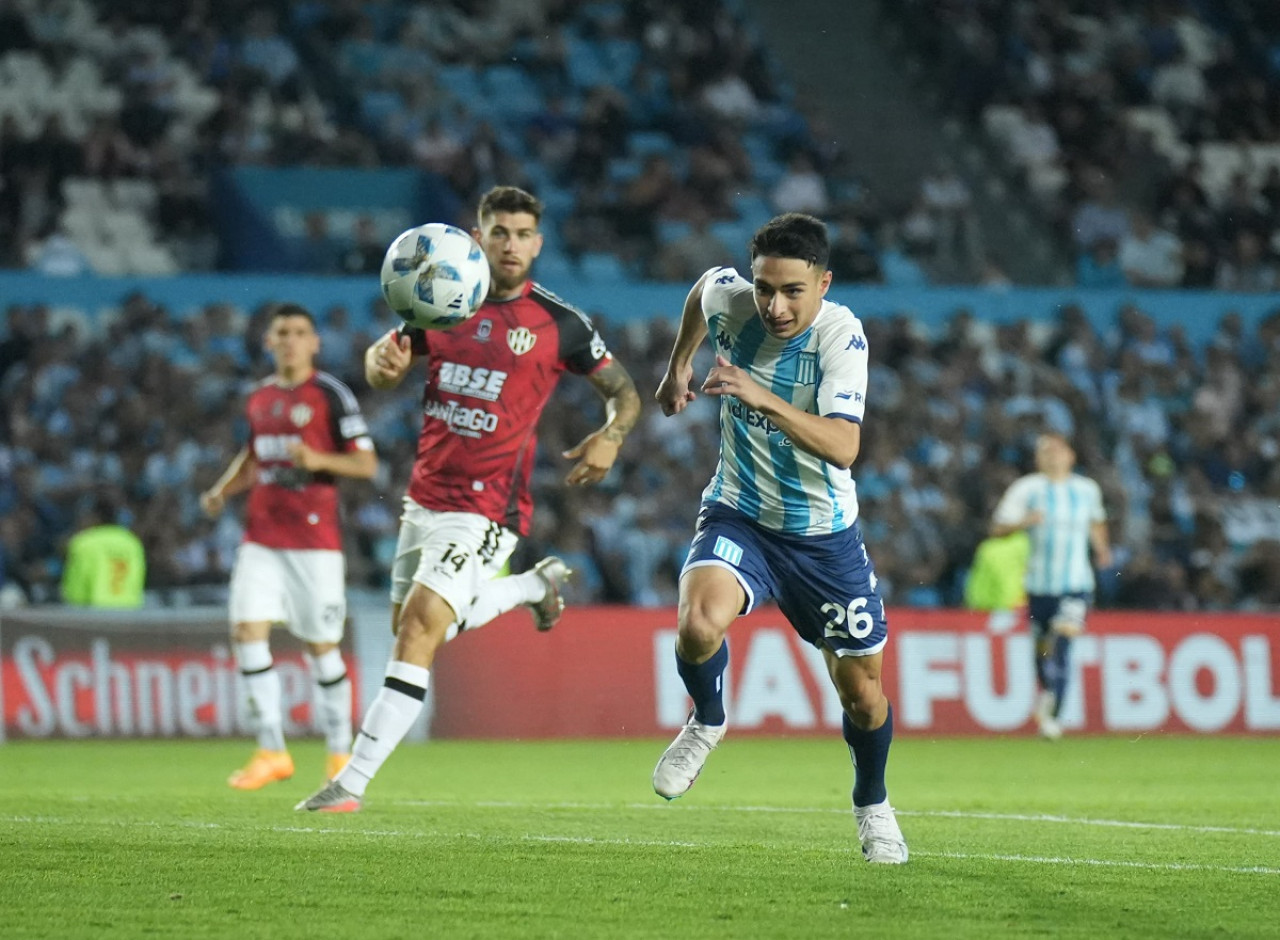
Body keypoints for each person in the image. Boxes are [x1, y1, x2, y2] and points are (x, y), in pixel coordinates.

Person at [298, 185, 642, 813]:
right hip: (423, 498)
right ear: (478, 237)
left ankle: (350, 784)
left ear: (537, 244)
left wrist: (610, 437)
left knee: (422, 627)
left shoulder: (559, 323)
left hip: (489, 506)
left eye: (522, 235)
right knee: (419, 628)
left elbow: (624, 393)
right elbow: (385, 370)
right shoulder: (442, 300)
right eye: (499, 231)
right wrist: (383, 360)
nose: (510, 245)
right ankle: (530, 588)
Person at [650, 213, 908, 864]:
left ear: (823, 284)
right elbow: (703, 291)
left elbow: (845, 446)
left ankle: (872, 802)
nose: (774, 305)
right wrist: (678, 364)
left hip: (823, 539)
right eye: (766, 288)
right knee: (698, 622)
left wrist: (759, 397)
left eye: (793, 290)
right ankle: (707, 720)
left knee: (863, 696)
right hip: (741, 513)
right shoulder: (730, 300)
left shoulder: (840, 337)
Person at [200, 303, 378, 790]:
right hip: (261, 537)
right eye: (283, 332)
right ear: (268, 342)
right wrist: (222, 489)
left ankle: (340, 753)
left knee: (322, 647)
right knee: (246, 631)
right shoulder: (258, 399)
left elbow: (366, 465)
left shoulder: (330, 394)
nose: (291, 340)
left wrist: (318, 457)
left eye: (301, 332)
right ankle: (271, 750)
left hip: (314, 543)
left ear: (315, 342)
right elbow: (253, 456)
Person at [990, 433, 1111, 740]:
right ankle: (1049, 695)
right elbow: (997, 528)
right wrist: (1024, 523)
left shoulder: (1086, 490)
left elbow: (1097, 522)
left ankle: (1054, 716)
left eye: (1057, 450)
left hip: (1076, 584)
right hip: (1039, 586)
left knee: (1062, 640)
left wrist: (1102, 549)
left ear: (1071, 455)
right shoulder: (1027, 489)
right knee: (1042, 651)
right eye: (1044, 451)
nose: (1051, 456)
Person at [60, 495, 146, 608]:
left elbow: (75, 593)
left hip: (95, 616)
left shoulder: (83, 542)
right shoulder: (132, 542)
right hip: (130, 614)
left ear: (94, 516)